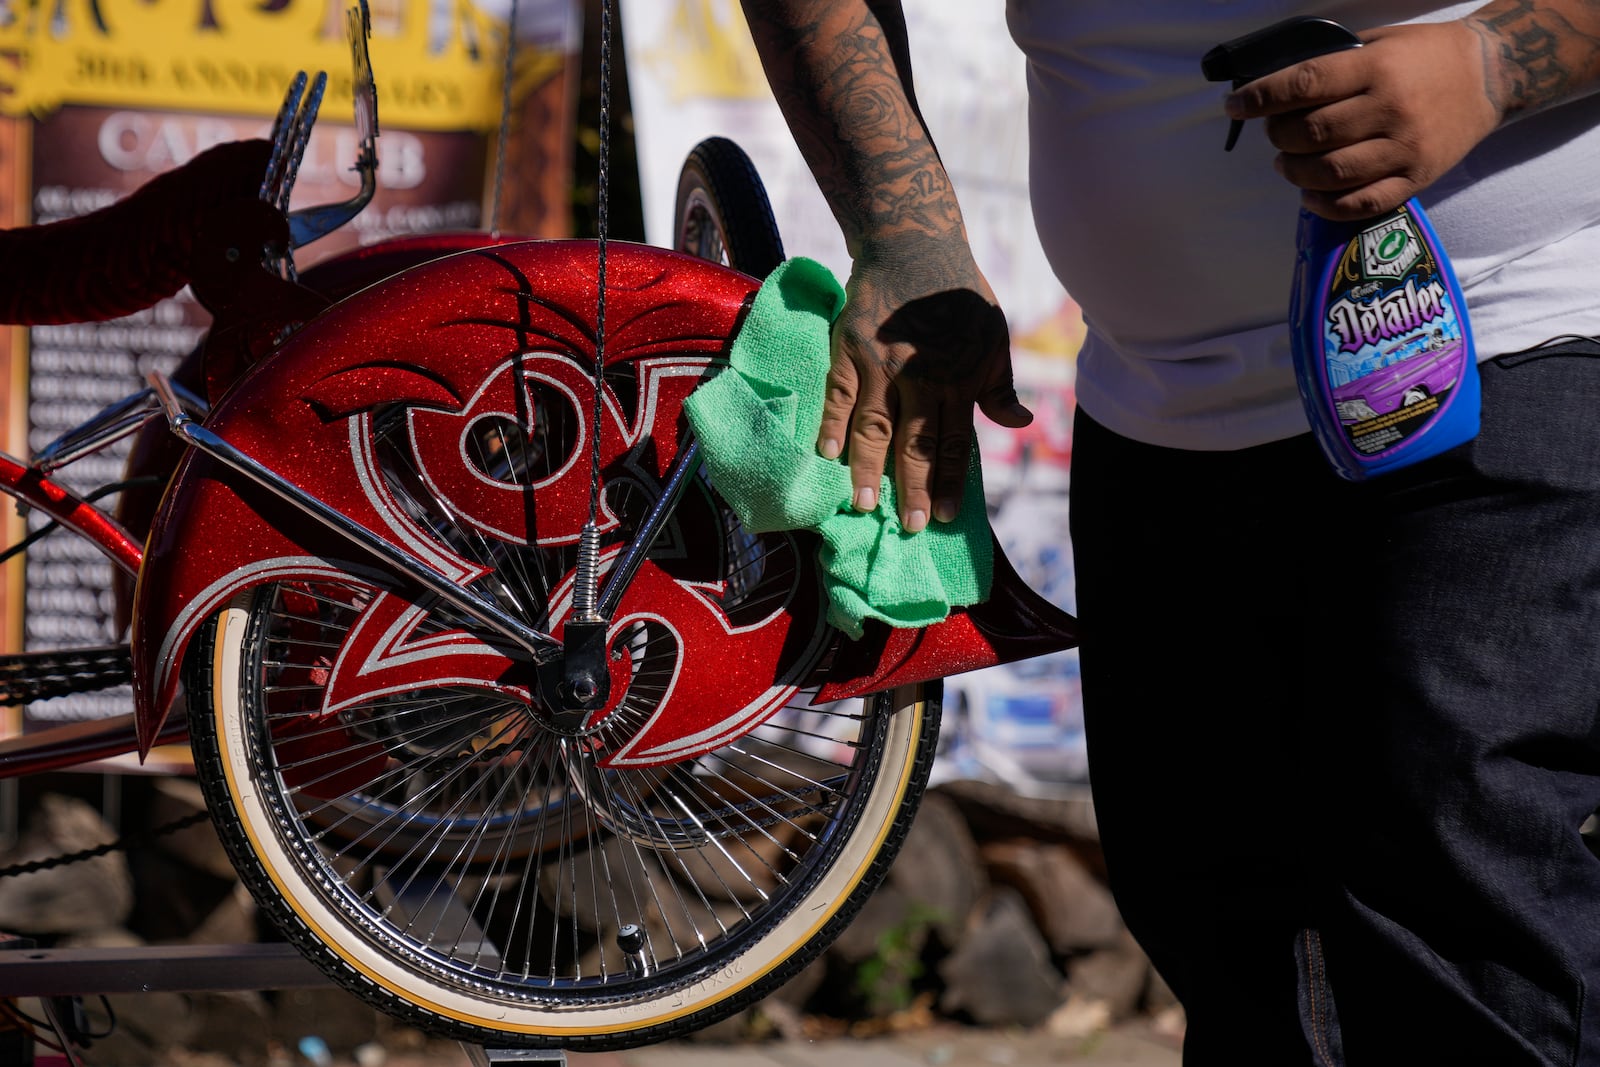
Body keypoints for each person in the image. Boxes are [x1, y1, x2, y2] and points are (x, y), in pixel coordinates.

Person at [739, 2, 1600, 1064]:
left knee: (1458, 937)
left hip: (1501, 336)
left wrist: (1491, 62)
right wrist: (902, 225)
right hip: (1161, 402)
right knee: (1225, 939)